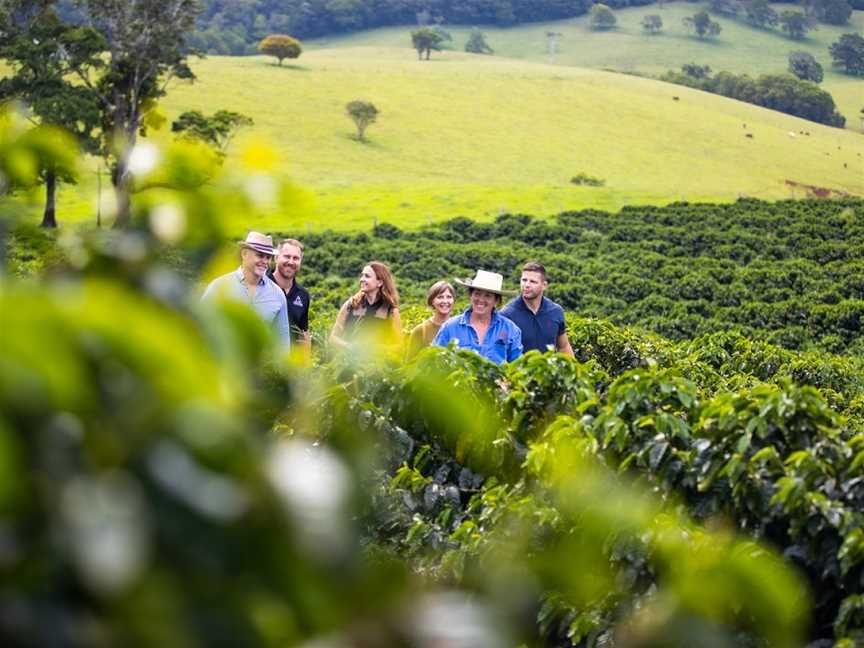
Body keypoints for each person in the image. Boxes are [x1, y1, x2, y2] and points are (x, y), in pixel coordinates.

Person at [201, 231, 290, 348]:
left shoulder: (277, 294)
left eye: (268, 257)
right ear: (244, 254)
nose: (265, 261)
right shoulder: (219, 287)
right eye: (259, 255)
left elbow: (282, 343)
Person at [432, 270, 522, 365]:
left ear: (496, 300)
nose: (481, 300)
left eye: (488, 296)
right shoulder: (450, 327)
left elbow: (517, 368)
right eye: (477, 294)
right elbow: (435, 361)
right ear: (471, 295)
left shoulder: (510, 329)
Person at [501, 261, 574, 356]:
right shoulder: (507, 314)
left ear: (544, 285)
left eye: (533, 281)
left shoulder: (556, 311)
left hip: (549, 369)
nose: (526, 285)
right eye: (524, 280)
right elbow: (500, 351)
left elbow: (563, 346)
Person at [329, 261, 402, 348]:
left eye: (367, 276)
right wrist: (349, 347)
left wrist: (377, 349)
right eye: (362, 275)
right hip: (349, 360)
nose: (362, 279)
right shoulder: (350, 305)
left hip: (379, 360)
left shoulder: (391, 311)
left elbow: (399, 345)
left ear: (380, 282)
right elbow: (333, 338)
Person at [267, 238, 311, 349]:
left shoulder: (303, 295)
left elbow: (303, 334)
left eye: (296, 258)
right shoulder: (262, 286)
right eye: (287, 256)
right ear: (276, 258)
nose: (291, 262)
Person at [405, 280, 455, 359]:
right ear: (432, 301)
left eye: (449, 297)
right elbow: (409, 365)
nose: (445, 301)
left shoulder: (459, 327)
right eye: (440, 297)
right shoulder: (420, 330)